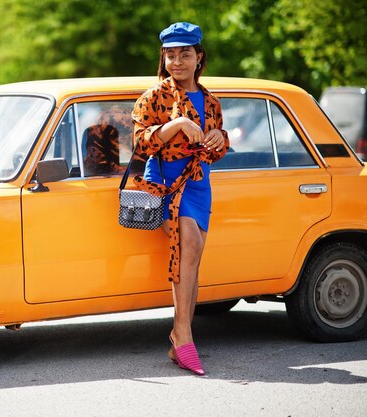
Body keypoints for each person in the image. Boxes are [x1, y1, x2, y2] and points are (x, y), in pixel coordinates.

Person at [131, 22, 229, 375]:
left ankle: (181, 335)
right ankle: (182, 334)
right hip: (168, 183)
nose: (177, 61)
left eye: (185, 54)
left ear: (199, 57)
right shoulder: (155, 96)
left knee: (194, 252)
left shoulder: (212, 100)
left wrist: (218, 137)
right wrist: (175, 126)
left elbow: (217, 150)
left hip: (200, 182)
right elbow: (139, 142)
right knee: (188, 241)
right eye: (170, 55)